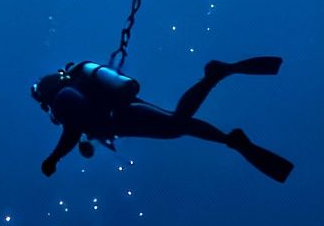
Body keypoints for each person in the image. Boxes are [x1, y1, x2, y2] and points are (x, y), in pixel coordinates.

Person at [30, 58, 294, 182]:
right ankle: (229, 139)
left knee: (175, 124)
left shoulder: (62, 98)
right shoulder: (70, 90)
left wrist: (54, 158)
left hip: (121, 115)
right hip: (122, 113)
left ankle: (214, 77)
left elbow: (73, 129)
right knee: (178, 125)